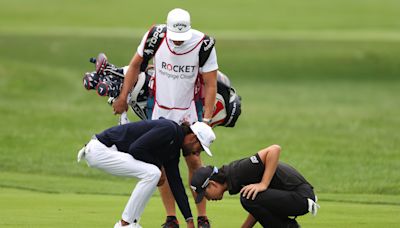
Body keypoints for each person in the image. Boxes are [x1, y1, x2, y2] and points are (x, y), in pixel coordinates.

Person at [112, 8, 218, 227]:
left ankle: (202, 217)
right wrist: (123, 97)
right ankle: (171, 217)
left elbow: (210, 84)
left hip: (189, 111)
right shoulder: (156, 36)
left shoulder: (203, 44)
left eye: (182, 38)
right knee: (160, 164)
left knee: (193, 160)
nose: (178, 42)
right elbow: (134, 66)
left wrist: (206, 121)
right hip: (159, 110)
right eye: (175, 38)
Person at [77, 119, 216, 228]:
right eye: (200, 148)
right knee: (153, 173)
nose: (197, 152)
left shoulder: (173, 147)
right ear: (193, 137)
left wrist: (189, 219)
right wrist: (159, 167)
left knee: (153, 173)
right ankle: (125, 224)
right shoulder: (169, 130)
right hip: (100, 150)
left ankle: (131, 223)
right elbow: (136, 149)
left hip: (107, 151)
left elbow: (176, 183)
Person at [190, 145, 319, 228]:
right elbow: (259, 207)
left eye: (205, 194)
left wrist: (264, 184)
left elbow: (274, 149)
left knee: (247, 197)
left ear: (212, 184)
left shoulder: (238, 171)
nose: (208, 199)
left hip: (301, 197)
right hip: (296, 197)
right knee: (249, 197)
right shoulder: (233, 179)